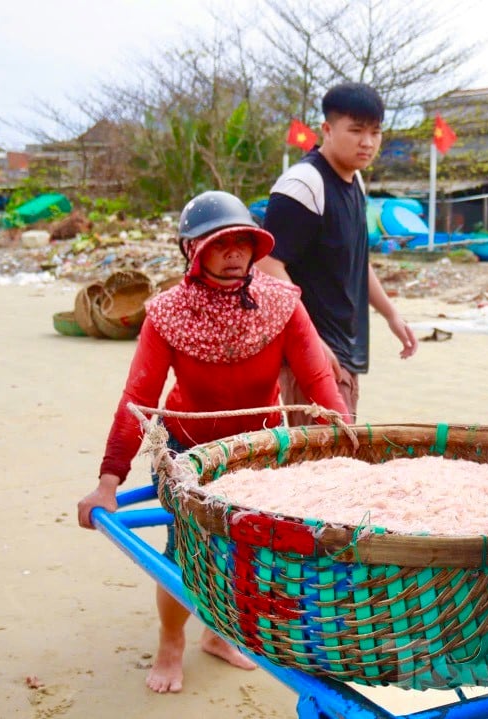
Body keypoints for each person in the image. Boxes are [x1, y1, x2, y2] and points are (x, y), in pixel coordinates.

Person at [76, 190, 348, 694]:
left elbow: (320, 384)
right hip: (187, 450)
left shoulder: (282, 304)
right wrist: (108, 482)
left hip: (259, 452)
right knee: (185, 549)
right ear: (190, 250)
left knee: (250, 550)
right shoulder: (165, 315)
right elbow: (138, 401)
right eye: (219, 244)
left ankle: (220, 635)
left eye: (243, 242)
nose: (233, 254)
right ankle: (171, 642)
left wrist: (350, 449)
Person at [257, 82, 418, 423]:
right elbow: (268, 264)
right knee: (322, 462)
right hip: (310, 354)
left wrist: (391, 314)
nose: (368, 142)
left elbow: (357, 262)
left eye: (376, 132)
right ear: (327, 130)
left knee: (338, 452)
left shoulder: (354, 181)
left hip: (344, 347)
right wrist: (311, 341)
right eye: (356, 130)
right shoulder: (304, 184)